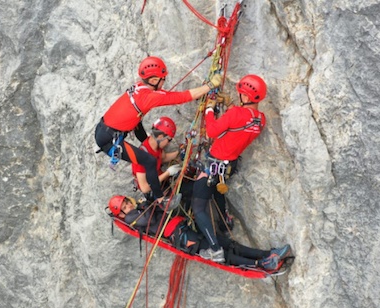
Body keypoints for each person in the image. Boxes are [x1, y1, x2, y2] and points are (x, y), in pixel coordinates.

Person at [96, 56, 222, 209]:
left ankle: (156, 177)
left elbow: (136, 118)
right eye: (162, 79)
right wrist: (210, 85)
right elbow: (182, 97)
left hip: (107, 131)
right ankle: (160, 199)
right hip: (109, 140)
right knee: (148, 161)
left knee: (147, 146)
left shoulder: (139, 88)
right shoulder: (148, 97)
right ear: (154, 80)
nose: (164, 82)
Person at [191, 74, 268, 259]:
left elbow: (211, 131)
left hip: (214, 165)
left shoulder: (235, 114)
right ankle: (225, 222)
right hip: (228, 167)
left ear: (247, 97)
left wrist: (209, 110)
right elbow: (240, 124)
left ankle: (215, 248)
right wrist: (230, 106)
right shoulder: (260, 119)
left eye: (241, 93)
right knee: (217, 192)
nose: (239, 95)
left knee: (198, 207)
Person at [108, 195, 291, 269]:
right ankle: (263, 262)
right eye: (125, 206)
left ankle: (268, 254)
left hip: (185, 229)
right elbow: (148, 220)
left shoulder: (138, 209)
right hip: (184, 238)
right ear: (121, 213)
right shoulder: (132, 218)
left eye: (127, 202)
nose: (129, 205)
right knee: (224, 255)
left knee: (227, 244)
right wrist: (148, 204)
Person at [131, 116, 182, 200]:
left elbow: (163, 158)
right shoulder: (141, 156)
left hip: (161, 181)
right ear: (160, 137)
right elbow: (144, 188)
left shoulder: (155, 146)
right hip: (153, 190)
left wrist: (179, 152)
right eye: (169, 140)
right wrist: (168, 173)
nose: (169, 143)